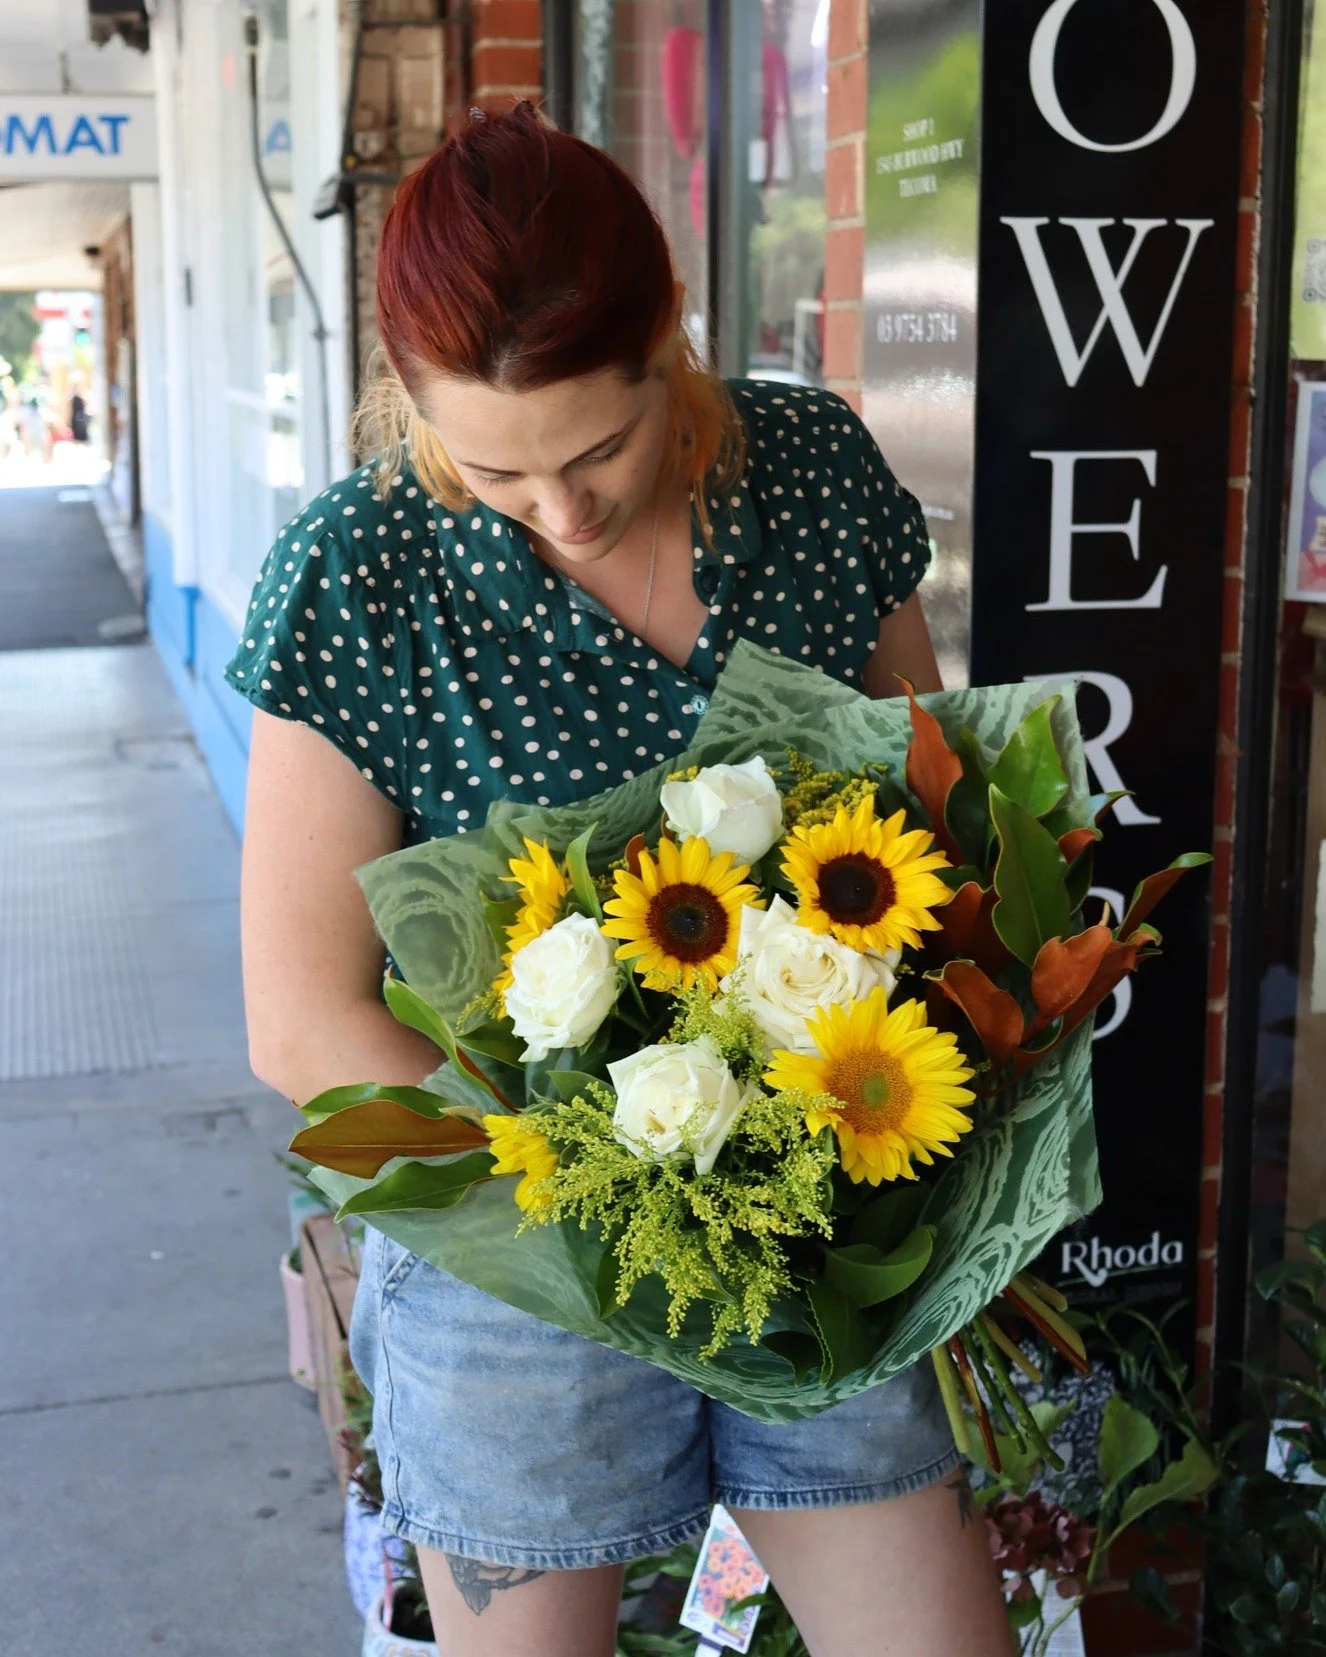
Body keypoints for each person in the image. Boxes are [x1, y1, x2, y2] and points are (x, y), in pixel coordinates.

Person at [227, 104, 1012, 1657]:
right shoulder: (358, 571)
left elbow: (929, 819)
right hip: (516, 1260)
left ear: (672, 339)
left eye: (597, 448)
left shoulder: (808, 474)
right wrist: (621, 1184)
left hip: (822, 1228)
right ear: (409, 402)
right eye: (496, 472)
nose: (563, 511)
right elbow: (299, 1023)